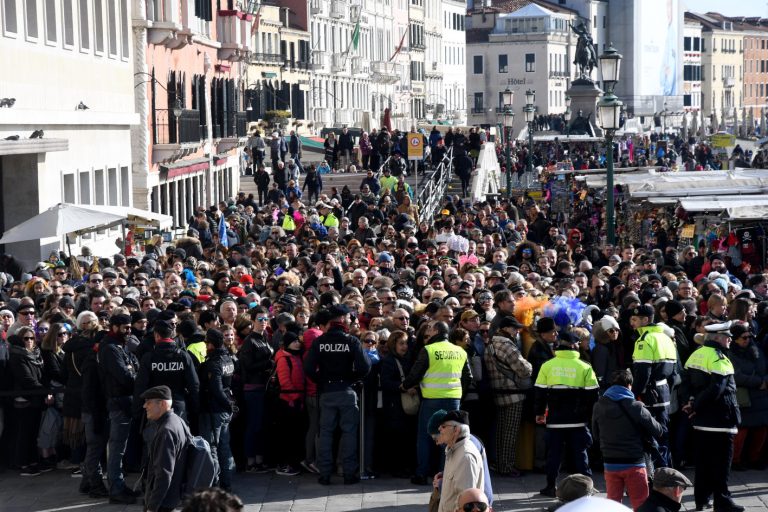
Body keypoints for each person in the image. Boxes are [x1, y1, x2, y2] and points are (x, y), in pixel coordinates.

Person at [303, 304, 371, 485]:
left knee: (325, 433)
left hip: (327, 392)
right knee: (349, 432)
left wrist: (321, 380)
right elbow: (365, 367)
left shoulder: (320, 341)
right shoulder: (352, 341)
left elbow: (308, 367)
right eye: (348, 317)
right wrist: (352, 378)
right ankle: (349, 474)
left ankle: (324, 474)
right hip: (347, 391)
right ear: (341, 319)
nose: (350, 320)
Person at [681, 321, 744, 512]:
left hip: (701, 421)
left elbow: (686, 384)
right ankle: (722, 501)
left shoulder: (696, 354)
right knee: (722, 464)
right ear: (718, 338)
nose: (730, 341)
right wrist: (696, 405)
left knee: (703, 463)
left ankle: (701, 499)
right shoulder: (719, 358)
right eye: (727, 337)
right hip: (721, 419)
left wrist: (691, 405)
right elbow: (717, 389)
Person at [401, 321, 472, 485]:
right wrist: (460, 394)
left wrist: (404, 385)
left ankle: (421, 474)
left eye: (431, 328)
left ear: (437, 331)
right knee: (450, 438)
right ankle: (445, 474)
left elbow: (416, 373)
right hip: (453, 400)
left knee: (425, 436)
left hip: (432, 400)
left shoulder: (429, 349)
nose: (429, 330)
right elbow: (468, 377)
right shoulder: (459, 350)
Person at [534, 331, 599, 497]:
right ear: (573, 345)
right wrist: (588, 416)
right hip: (578, 420)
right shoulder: (585, 366)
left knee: (553, 455)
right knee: (580, 454)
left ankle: (550, 487)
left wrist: (540, 413)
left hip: (554, 420)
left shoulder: (547, 365)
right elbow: (593, 396)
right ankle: (587, 489)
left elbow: (540, 393)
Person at [593, 369, 665, 509]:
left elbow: (596, 435)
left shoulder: (598, 406)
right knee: (640, 503)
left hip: (610, 462)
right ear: (629, 385)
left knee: (613, 504)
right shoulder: (636, 407)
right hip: (634, 462)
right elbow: (658, 431)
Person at [98, 313, 141, 504]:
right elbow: (124, 375)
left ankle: (120, 484)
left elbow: (135, 367)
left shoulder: (121, 347)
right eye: (125, 328)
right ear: (114, 327)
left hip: (126, 401)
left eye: (130, 327)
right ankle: (116, 488)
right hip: (118, 403)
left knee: (121, 447)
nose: (129, 331)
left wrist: (133, 372)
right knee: (116, 448)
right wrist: (133, 375)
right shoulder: (110, 348)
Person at [630, 304, 677, 468]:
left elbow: (643, 374)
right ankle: (667, 473)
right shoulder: (665, 338)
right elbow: (673, 373)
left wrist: (633, 395)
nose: (632, 323)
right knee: (663, 433)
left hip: (649, 394)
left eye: (635, 319)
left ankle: (656, 475)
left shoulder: (645, 340)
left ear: (646, 319)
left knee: (650, 436)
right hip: (663, 393)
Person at [484, 316, 531, 477]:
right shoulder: (506, 345)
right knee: (510, 432)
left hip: (497, 392)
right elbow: (525, 370)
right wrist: (529, 364)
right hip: (513, 395)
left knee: (501, 432)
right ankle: (507, 466)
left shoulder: (490, 344)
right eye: (514, 328)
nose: (517, 331)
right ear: (505, 329)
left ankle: (499, 464)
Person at [199, 328, 236, 491]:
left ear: (211, 344)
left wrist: (228, 405)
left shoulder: (214, 363)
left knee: (213, 447)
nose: (206, 346)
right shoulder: (228, 358)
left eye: (207, 343)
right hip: (226, 408)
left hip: (215, 409)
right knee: (225, 446)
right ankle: (226, 483)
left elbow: (217, 389)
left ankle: (215, 483)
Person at [141, 385, 189, 512]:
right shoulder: (177, 420)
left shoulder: (166, 431)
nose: (145, 406)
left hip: (162, 502)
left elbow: (164, 474)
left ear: (162, 404)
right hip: (170, 498)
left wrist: (152, 507)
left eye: (148, 402)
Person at [433, 410, 485, 512]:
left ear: (456, 430)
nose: (439, 429)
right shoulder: (452, 449)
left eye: (443, 426)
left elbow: (467, 504)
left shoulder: (466, 457)